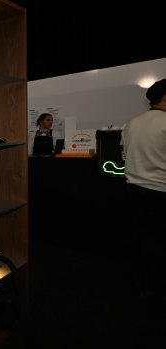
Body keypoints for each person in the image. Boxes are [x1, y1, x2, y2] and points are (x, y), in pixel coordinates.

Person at [121, 78, 166, 345]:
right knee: (159, 244)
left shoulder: (132, 123)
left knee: (141, 240)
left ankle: (142, 288)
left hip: (134, 191)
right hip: (161, 192)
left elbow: (125, 156)